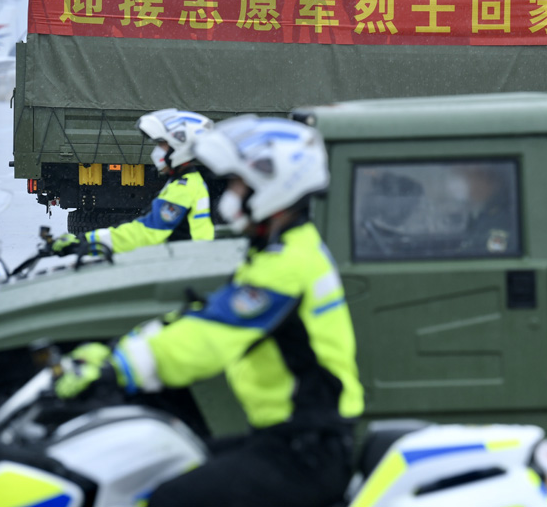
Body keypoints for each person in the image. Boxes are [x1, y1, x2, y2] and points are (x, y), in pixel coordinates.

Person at [54, 115, 364, 507]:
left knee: (169, 498)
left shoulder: (287, 266)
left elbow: (210, 338)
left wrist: (118, 369)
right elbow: (206, 315)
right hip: (289, 436)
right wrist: (118, 349)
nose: (230, 194)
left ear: (274, 188)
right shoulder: (281, 251)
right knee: (163, 467)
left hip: (307, 449)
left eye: (239, 184)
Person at [52, 109, 215, 256]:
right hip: (188, 260)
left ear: (180, 147)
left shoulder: (183, 189)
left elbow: (147, 232)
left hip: (187, 264)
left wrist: (85, 242)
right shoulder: (188, 182)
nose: (157, 151)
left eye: (162, 145)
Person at [459, 164, 516, 255]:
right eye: (471, 180)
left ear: (496, 185)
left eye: (480, 180)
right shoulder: (479, 215)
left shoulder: (501, 220)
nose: (474, 185)